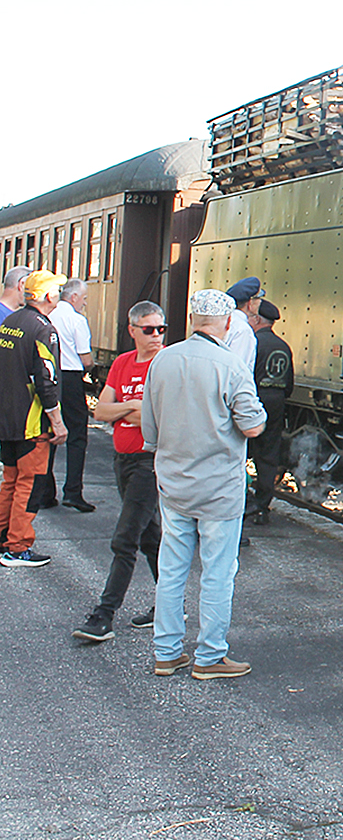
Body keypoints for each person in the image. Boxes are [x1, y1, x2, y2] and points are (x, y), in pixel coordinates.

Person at [142, 288, 266, 679]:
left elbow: (149, 427)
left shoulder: (162, 360)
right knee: (217, 572)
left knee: (172, 567)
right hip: (219, 490)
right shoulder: (231, 366)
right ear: (228, 323)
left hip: (174, 484)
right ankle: (209, 656)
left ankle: (166, 652)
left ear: (192, 319)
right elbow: (252, 425)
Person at [70, 301, 168, 642]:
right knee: (149, 537)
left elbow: (156, 419)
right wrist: (130, 407)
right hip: (123, 460)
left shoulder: (166, 363)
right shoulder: (123, 363)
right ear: (132, 330)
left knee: (125, 538)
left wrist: (123, 412)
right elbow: (101, 412)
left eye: (161, 329)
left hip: (149, 462)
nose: (156, 335)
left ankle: (104, 615)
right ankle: (170, 606)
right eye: (149, 329)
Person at [0, 271, 69, 566]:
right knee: (30, 484)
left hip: (6, 419)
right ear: (49, 296)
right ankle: (17, 548)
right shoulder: (44, 329)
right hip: (31, 422)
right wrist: (57, 421)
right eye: (58, 291)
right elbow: (47, 379)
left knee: (10, 481)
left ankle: (4, 538)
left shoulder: (10, 322)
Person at [48, 278, 95, 512]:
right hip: (71, 379)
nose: (84, 304)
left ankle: (45, 491)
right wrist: (91, 368)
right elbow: (85, 357)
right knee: (77, 436)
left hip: (49, 378)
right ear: (74, 297)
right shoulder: (77, 320)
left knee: (49, 433)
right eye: (84, 298)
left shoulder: (48, 315)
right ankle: (73, 492)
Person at [246, 299, 293, 525]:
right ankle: (262, 507)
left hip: (254, 401)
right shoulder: (283, 346)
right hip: (276, 403)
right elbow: (289, 384)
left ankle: (244, 503)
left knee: (240, 452)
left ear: (256, 319)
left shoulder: (252, 343)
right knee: (268, 457)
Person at [224, 277, 264, 370]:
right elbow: (237, 369)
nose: (260, 302)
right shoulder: (243, 330)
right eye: (258, 298)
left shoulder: (224, 321)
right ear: (250, 303)